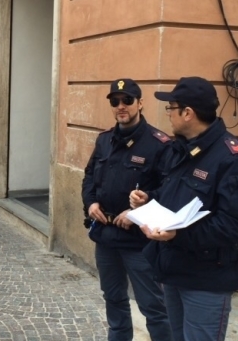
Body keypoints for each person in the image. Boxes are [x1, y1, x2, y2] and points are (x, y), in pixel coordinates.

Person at [130, 77, 238, 341]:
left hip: (206, 278)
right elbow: (174, 195)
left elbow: (236, 225)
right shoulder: (181, 149)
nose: (168, 113)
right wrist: (149, 199)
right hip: (174, 269)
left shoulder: (234, 158)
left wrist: (178, 234)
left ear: (188, 113)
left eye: (171, 107)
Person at [82, 79, 172, 341]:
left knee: (153, 306)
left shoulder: (159, 144)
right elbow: (89, 177)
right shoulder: (104, 140)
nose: (121, 106)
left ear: (140, 103)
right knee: (113, 298)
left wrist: (137, 213)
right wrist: (91, 203)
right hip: (106, 237)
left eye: (127, 100)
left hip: (139, 242)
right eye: (115, 101)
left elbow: (169, 191)